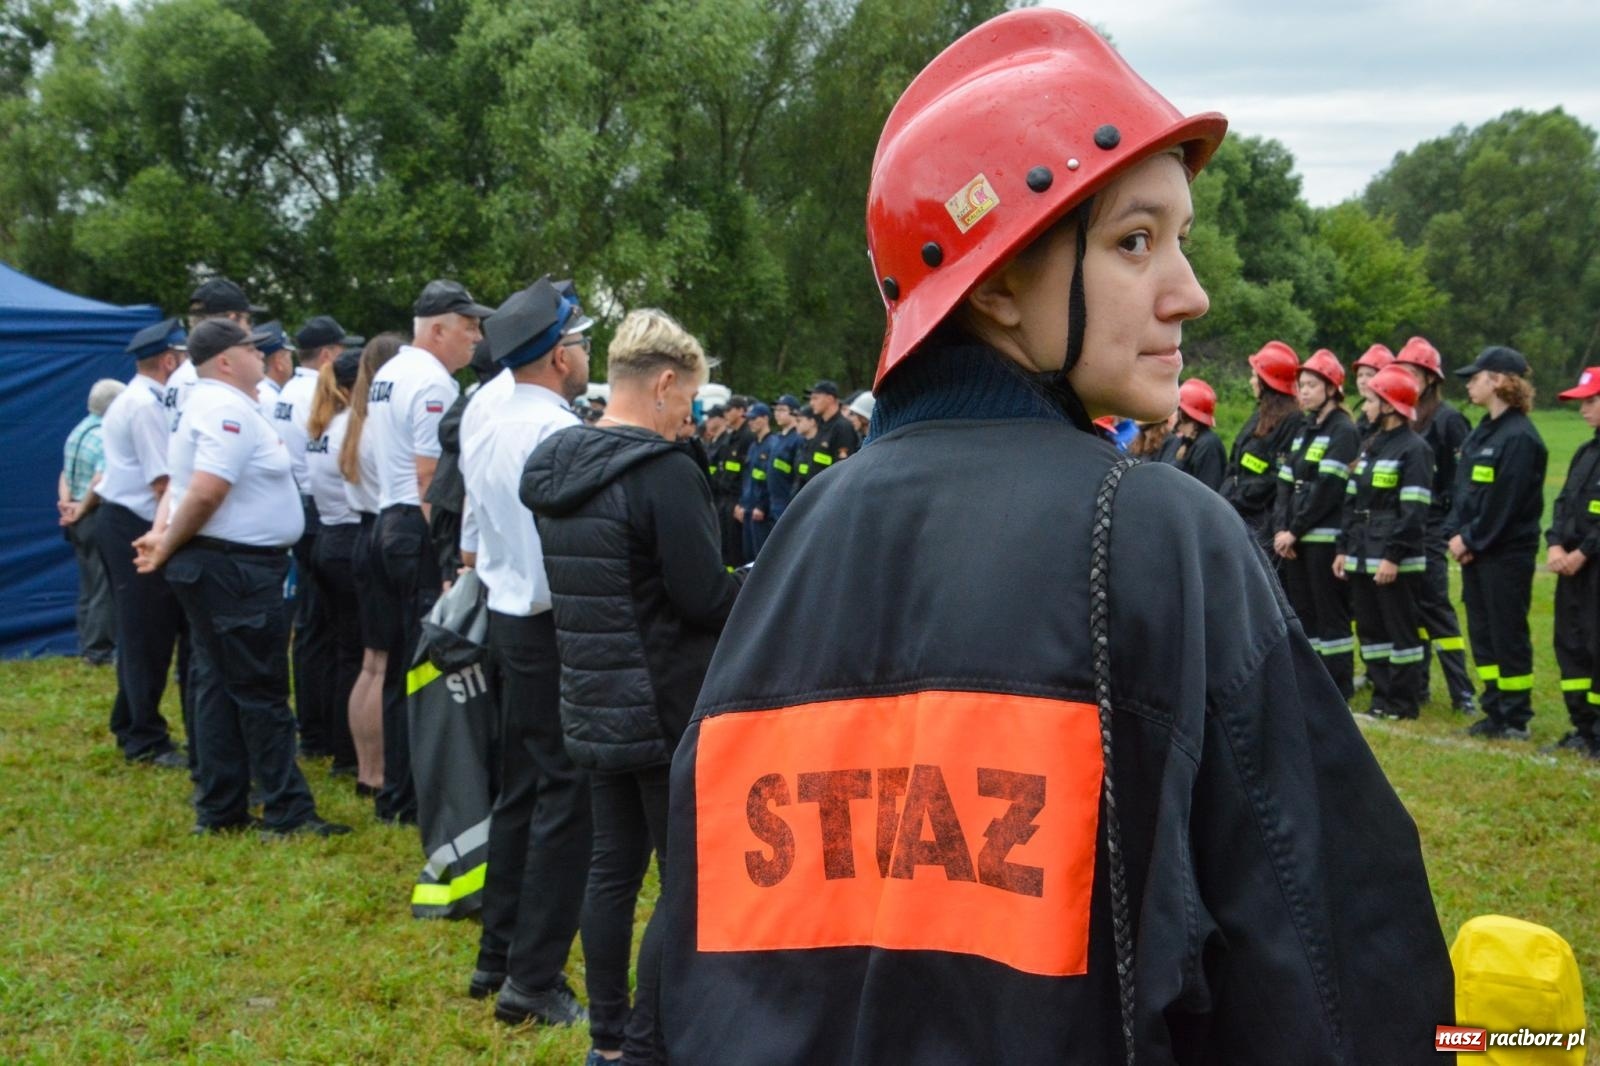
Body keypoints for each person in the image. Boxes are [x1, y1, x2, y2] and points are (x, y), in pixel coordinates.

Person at [659, 10, 1451, 1063]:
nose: (1190, 290)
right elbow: (1331, 960)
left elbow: (688, 955)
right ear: (992, 282)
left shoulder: (807, 532)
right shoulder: (1165, 533)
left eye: (1180, 238)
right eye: (1134, 241)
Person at [523, 308, 740, 1066]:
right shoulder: (662, 473)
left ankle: (609, 1039)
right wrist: (765, 581)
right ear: (666, 384)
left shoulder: (559, 466)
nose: (690, 421)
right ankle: (657, 1037)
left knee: (611, 870)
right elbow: (703, 596)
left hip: (591, 694)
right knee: (682, 881)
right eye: (687, 404)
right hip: (663, 702)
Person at [135, 318, 350, 838]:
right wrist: (166, 542)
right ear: (226, 361)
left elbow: (176, 485)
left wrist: (163, 533)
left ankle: (222, 804)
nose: (264, 355)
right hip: (234, 567)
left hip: (224, 564)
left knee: (219, 683)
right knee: (259, 690)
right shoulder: (226, 409)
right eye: (251, 349)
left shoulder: (215, 405)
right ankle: (286, 811)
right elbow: (206, 490)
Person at [457, 277, 592, 1026]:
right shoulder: (555, 433)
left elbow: (476, 525)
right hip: (549, 620)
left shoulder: (488, 412)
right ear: (556, 356)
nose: (582, 352)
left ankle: (497, 953)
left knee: (521, 788)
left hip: (508, 612)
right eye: (576, 342)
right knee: (566, 801)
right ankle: (533, 979)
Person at [366, 279, 490, 824]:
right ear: (437, 328)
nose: (476, 338)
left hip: (383, 520)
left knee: (395, 666)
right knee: (425, 668)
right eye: (468, 328)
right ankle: (413, 792)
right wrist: (444, 560)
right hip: (412, 529)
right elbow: (427, 478)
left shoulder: (389, 371)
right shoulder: (433, 382)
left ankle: (394, 787)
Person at [92, 317, 189, 768]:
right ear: (169, 360)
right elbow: (162, 483)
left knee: (139, 631)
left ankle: (129, 721)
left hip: (120, 519)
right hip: (137, 524)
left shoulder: (129, 398)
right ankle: (145, 738)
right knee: (147, 634)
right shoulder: (147, 406)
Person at [1446, 346, 1547, 741]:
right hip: (1476, 551)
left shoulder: (1521, 438)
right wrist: (1456, 533)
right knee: (1484, 633)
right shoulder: (1481, 431)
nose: (1470, 383)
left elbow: (1507, 502)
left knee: (1507, 633)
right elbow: (1465, 491)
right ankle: (1494, 708)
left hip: (1504, 554)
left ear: (1501, 381)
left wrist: (1469, 539)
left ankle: (1515, 715)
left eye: (1477, 376)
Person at [277, 315, 360, 764]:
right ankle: (331, 734)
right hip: (331, 518)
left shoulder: (295, 397)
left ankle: (316, 729)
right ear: (329, 355)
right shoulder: (332, 412)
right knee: (340, 639)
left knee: (313, 631)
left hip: (312, 512)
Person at [1335, 366, 1434, 719]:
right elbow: (1352, 501)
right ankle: (1381, 698)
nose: (1365, 406)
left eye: (1373, 399)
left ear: (1391, 406)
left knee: (1400, 631)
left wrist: (1393, 557)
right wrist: (1343, 548)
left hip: (1394, 559)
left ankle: (1403, 703)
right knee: (1372, 630)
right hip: (1362, 554)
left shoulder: (1415, 449)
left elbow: (1413, 513)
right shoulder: (1371, 445)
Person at [1394, 336, 1476, 714]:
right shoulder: (1406, 418)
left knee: (1437, 609)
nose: (1407, 379)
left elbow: (1462, 481)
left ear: (1430, 378)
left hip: (1432, 526)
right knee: (1410, 610)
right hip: (1407, 526)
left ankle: (1463, 692)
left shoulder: (1448, 420)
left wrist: (1451, 527)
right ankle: (1419, 683)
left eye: (1413, 372)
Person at [339, 333, 405, 797]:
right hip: (385, 529)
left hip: (361, 532)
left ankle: (367, 768)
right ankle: (379, 770)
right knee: (384, 666)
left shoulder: (352, 422)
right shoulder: (384, 424)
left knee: (371, 662)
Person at [1273, 350, 1359, 697]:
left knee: (1330, 615)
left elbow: (1327, 489)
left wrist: (1295, 530)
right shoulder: (1305, 429)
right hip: (1294, 539)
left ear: (1332, 388)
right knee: (1305, 613)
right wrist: (1282, 529)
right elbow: (1284, 483)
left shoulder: (1343, 430)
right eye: (1301, 385)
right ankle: (1313, 683)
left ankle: (1339, 685)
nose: (1303, 391)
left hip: (1321, 537)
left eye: (1311, 385)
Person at [304, 349, 365, 778]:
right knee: (363, 656)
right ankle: (352, 751)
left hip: (326, 537)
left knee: (344, 651)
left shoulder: (320, 427)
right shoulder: (350, 427)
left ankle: (341, 746)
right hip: (348, 537)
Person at [1547, 366, 1600, 758]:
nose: (1583, 410)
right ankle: (1582, 726)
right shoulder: (1586, 452)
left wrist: (1583, 552)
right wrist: (1554, 546)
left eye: (1591, 401)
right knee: (1571, 643)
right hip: (1571, 568)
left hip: (1593, 566)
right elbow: (1564, 504)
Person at [58, 378, 125, 665]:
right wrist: (83, 508)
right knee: (103, 587)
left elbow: (65, 473)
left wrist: (67, 504)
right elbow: (100, 480)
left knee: (88, 585)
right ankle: (100, 652)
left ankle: (86, 644)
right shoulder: (104, 435)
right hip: (94, 516)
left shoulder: (79, 431)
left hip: (76, 517)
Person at [1222, 340, 1304, 558]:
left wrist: (1243, 495)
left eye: (1254, 376)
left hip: (1263, 522)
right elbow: (1236, 465)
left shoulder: (1293, 420)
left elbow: (1279, 476)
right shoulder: (1259, 416)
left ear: (1267, 381)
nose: (1251, 381)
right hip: (1241, 512)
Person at [1159, 376, 1225, 489]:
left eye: (1176, 408)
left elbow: (1207, 491)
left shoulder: (1208, 445)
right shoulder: (1178, 440)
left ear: (1184, 414)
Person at [735, 402, 776, 559]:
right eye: (749, 419)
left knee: (761, 556)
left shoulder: (772, 444)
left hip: (760, 512)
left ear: (765, 418)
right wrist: (741, 503)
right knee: (748, 555)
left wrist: (762, 505)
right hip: (748, 508)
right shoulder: (753, 446)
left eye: (754, 418)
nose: (750, 422)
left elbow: (770, 479)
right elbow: (747, 478)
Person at [806, 379, 860, 472]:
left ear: (830, 399)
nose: (811, 403)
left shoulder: (842, 427)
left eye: (815, 398)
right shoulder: (822, 425)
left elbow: (842, 469)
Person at [766, 394, 802, 523]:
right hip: (774, 501)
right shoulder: (777, 438)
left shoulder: (797, 439)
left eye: (782, 410)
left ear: (795, 413)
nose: (777, 413)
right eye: (776, 410)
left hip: (787, 501)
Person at [1352, 343, 1394, 440]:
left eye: (1369, 375)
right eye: (1360, 375)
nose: (1363, 381)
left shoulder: (1392, 417)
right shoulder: (1363, 415)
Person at [256, 322, 294, 416]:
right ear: (279, 361)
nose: (291, 362)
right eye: (289, 356)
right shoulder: (271, 399)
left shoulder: (260, 391)